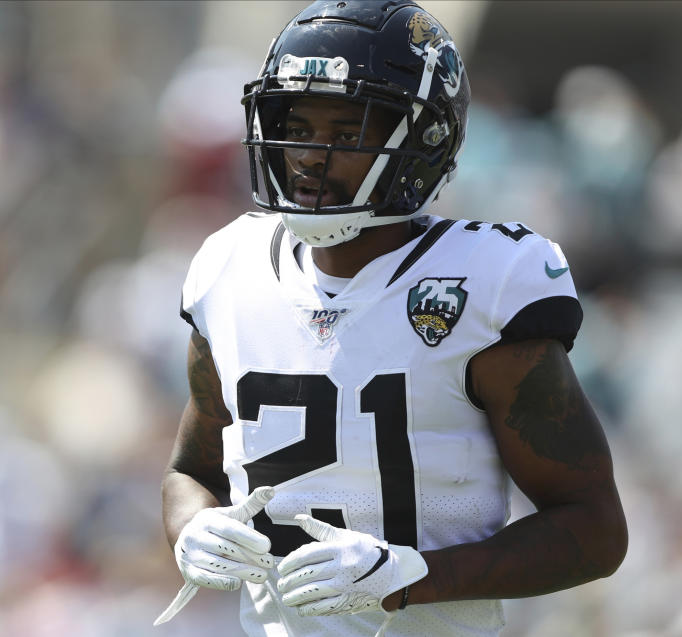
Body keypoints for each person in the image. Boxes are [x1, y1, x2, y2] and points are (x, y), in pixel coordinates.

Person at [158, 2, 628, 636]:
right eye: (296, 123)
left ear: (423, 140)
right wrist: (191, 529)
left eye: (346, 132)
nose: (307, 154)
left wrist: (412, 577)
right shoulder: (230, 269)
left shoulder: (484, 284)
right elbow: (191, 472)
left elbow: (593, 531)